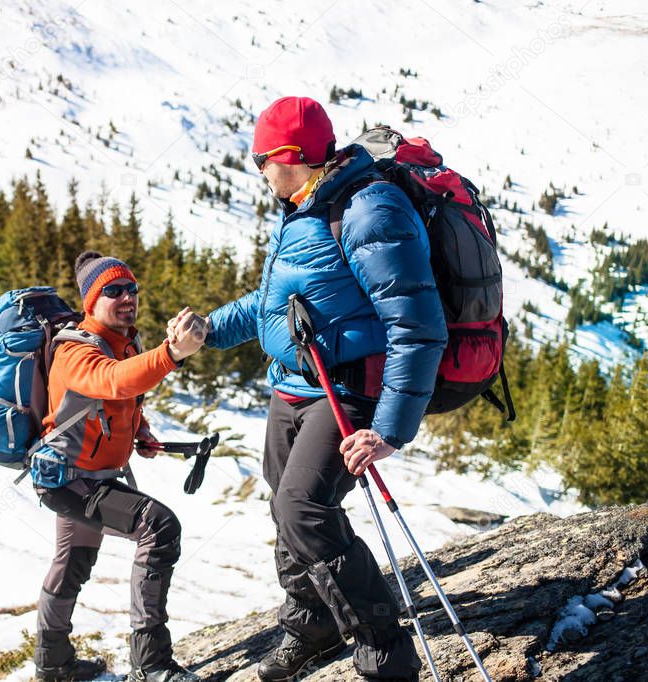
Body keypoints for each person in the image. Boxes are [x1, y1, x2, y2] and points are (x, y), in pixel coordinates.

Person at [171, 96, 448, 681]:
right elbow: (273, 306)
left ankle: (386, 654)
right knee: (285, 508)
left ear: (291, 156)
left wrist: (389, 429)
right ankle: (312, 623)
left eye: (260, 160)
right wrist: (210, 330)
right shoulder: (303, 207)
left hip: (344, 391)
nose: (258, 171)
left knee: (304, 508)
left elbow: (417, 326)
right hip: (292, 387)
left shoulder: (370, 210)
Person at [33, 250, 205, 682]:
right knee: (159, 527)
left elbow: (122, 396)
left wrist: (139, 432)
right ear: (91, 300)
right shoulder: (76, 350)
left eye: (132, 289)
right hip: (69, 479)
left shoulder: (123, 340)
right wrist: (172, 354)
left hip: (92, 475)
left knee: (72, 564)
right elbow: (112, 380)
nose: (127, 297)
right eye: (114, 290)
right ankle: (151, 663)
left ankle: (52, 665)